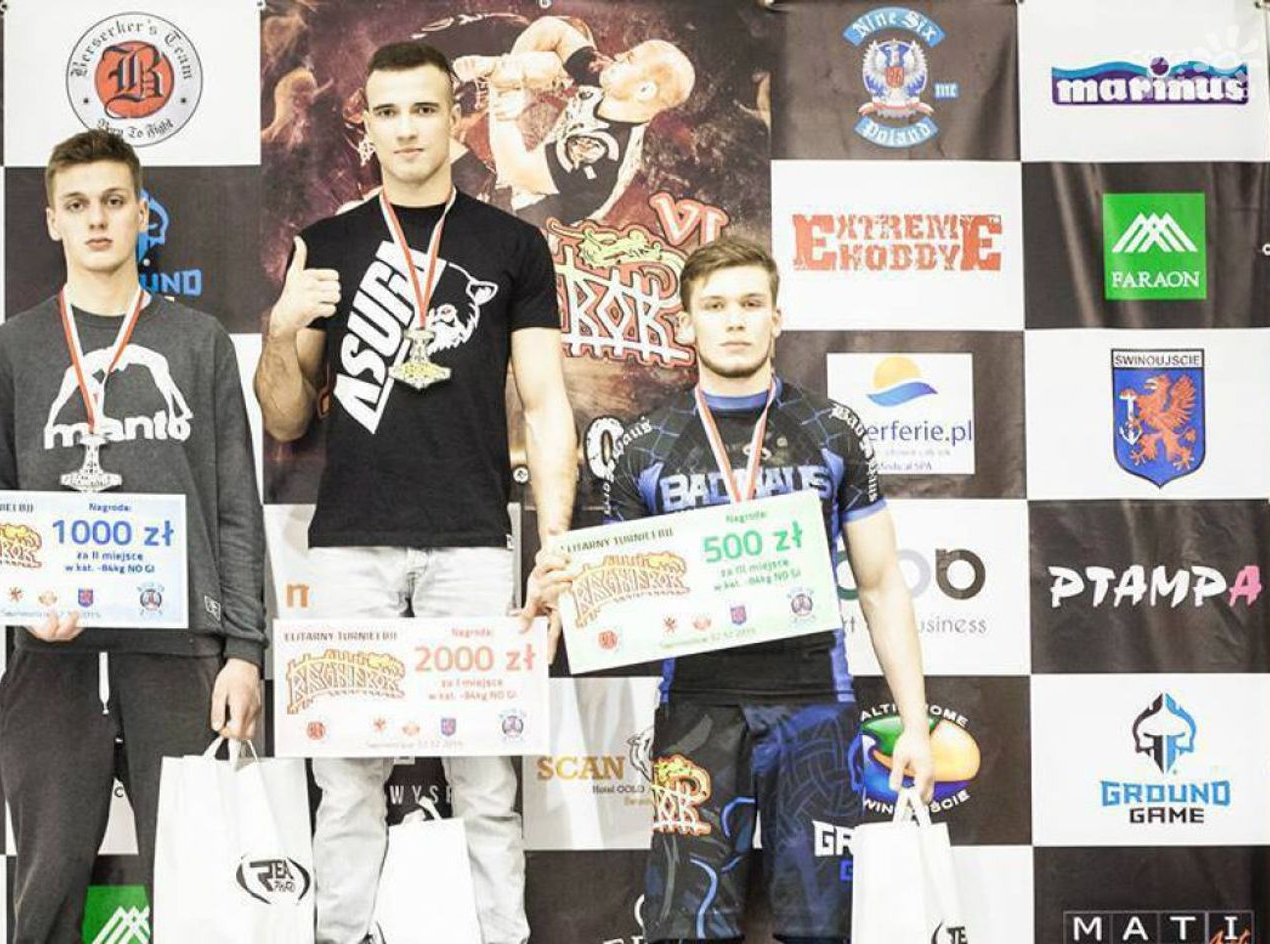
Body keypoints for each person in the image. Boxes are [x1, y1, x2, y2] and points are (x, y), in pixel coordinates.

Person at [253, 41, 576, 944]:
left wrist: (553, 547)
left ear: (456, 118)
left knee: (486, 778)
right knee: (346, 776)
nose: (405, 129)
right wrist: (280, 330)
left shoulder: (513, 245)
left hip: (473, 540)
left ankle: (500, 936)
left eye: (424, 109)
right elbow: (285, 417)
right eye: (387, 112)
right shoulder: (327, 245)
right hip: (351, 543)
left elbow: (547, 405)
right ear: (367, 124)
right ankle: (339, 936)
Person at [534, 236, 935, 943]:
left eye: (751, 304)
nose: (735, 321)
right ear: (686, 324)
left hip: (815, 707)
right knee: (687, 928)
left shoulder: (832, 431)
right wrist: (559, 590)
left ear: (777, 318)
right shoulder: (646, 445)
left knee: (821, 929)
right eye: (715, 306)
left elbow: (880, 586)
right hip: (697, 708)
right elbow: (611, 594)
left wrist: (914, 724)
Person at [0, 129, 265, 942]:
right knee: (46, 896)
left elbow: (235, 508)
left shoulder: (198, 342)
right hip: (53, 658)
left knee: (200, 897)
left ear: (141, 214)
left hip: (181, 655)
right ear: (52, 220)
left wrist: (244, 652)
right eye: (76, 204)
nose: (96, 219)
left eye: (112, 201)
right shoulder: (11, 350)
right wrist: (24, 605)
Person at [451, 15, 695, 225]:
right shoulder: (612, 83)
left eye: (629, 59)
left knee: (431, 134)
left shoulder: (600, 154)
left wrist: (501, 87)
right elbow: (551, 29)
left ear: (644, 91)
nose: (618, 55)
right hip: (507, 191)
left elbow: (515, 171)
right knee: (554, 62)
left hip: (515, 225)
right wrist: (514, 74)